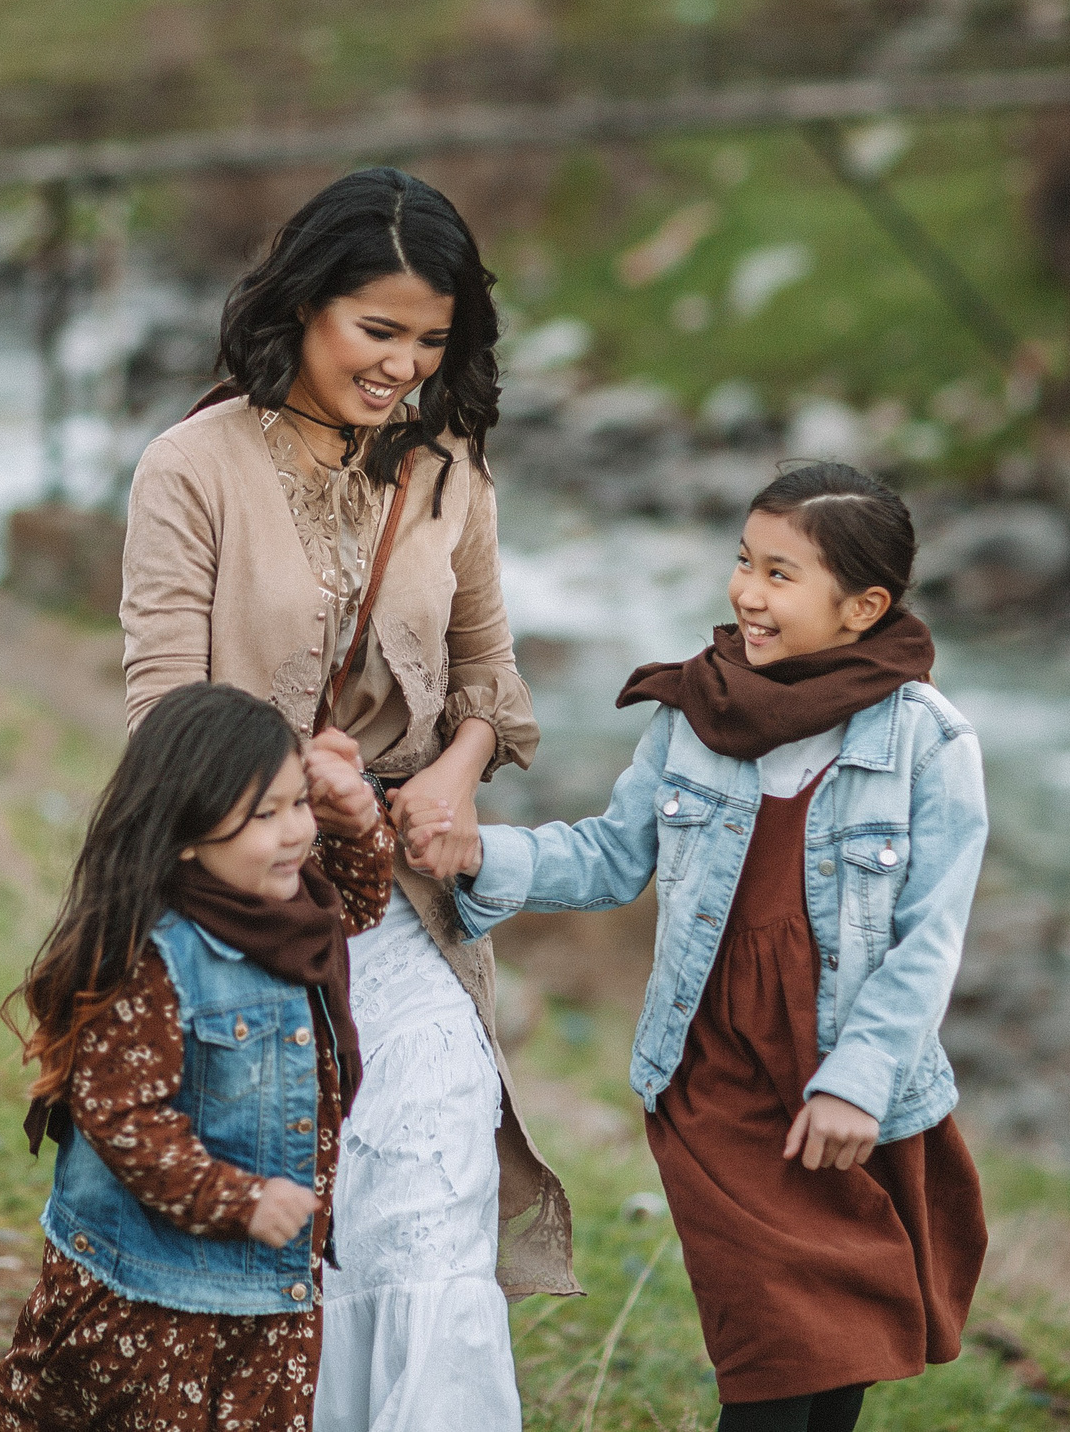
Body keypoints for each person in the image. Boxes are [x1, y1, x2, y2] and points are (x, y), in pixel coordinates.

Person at [120, 167, 576, 1432]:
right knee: (278, 1231)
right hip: (236, 906)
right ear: (303, 305)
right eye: (377, 331)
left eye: (431, 343)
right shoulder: (189, 466)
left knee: (426, 1205)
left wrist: (451, 768)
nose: (402, 369)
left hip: (408, 913)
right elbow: (160, 705)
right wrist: (293, 784)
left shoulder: (448, 469)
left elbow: (492, 672)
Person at [406, 462, 990, 1432]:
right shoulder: (697, 711)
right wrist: (480, 854)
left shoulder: (927, 743)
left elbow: (930, 937)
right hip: (714, 1078)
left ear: (863, 607)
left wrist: (861, 1079)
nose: (746, 594)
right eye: (742, 562)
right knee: (766, 1358)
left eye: (779, 574)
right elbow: (607, 855)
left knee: (834, 1347)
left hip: (837, 1080)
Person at [0, 682, 398, 1432]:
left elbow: (359, 901)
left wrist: (360, 815)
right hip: (151, 1288)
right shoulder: (155, 953)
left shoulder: (287, 912)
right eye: (263, 816)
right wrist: (242, 1201)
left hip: (263, 1292)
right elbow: (125, 1119)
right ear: (186, 833)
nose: (296, 831)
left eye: (297, 803)